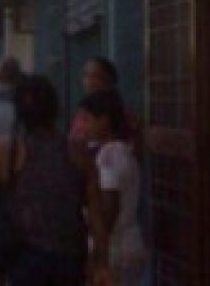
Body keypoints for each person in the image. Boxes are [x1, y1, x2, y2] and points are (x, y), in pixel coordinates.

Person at [0, 74, 110, 286]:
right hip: (70, 259)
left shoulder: (9, 152)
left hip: (25, 259)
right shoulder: (78, 153)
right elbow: (97, 217)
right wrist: (101, 262)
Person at [81, 90, 146, 285]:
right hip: (124, 245)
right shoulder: (121, 151)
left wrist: (99, 257)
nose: (84, 126)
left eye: (88, 119)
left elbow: (109, 209)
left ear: (104, 120)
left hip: (115, 250)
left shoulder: (111, 154)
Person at [69, 57, 140, 153]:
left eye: (95, 76)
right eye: (86, 76)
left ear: (109, 80)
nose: (89, 81)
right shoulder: (84, 110)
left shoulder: (123, 113)